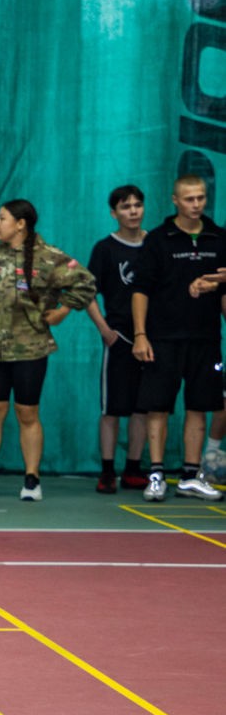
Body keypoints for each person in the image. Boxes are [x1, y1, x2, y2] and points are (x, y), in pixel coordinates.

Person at [0, 200, 96, 502]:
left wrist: (62, 311)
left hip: (31, 350)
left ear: (20, 224)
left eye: (2, 218)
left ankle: (32, 479)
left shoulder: (49, 257)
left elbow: (86, 284)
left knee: (27, 413)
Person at [130, 175, 226, 502]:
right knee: (158, 407)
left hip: (206, 339)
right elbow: (140, 290)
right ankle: (156, 474)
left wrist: (216, 285)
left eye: (201, 198)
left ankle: (189, 476)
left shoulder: (219, 238)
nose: (196, 205)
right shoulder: (159, 239)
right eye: (189, 199)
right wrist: (140, 335)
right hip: (163, 338)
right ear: (175, 200)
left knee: (199, 406)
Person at [83, 185, 150, 494]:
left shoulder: (155, 244)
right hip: (119, 337)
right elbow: (87, 293)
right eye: (126, 206)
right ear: (114, 213)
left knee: (143, 408)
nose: (133, 211)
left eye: (137, 205)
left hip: (152, 339)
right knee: (111, 409)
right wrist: (104, 329)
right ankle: (108, 471)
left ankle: (133, 468)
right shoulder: (105, 249)